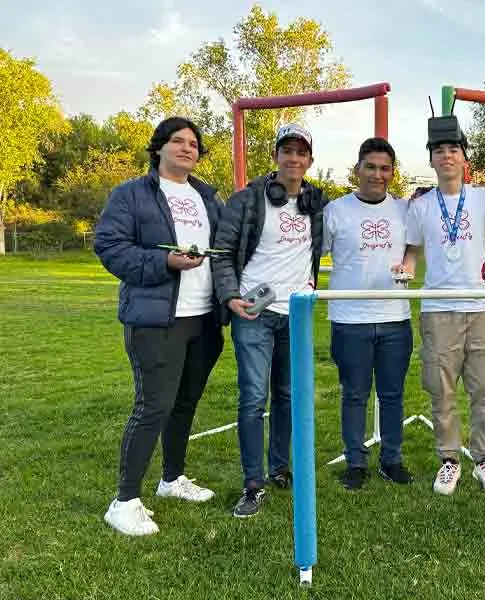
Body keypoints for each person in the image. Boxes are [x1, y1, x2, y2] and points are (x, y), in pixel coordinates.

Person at [95, 116, 224, 536]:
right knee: (153, 406)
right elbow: (109, 246)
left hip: (204, 318)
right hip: (156, 319)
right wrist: (164, 261)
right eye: (178, 141)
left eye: (194, 143)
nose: (188, 148)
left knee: (185, 404)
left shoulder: (207, 197)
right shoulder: (132, 194)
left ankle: (172, 479)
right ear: (158, 148)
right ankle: (124, 501)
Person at [211, 124, 327, 518]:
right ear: (275, 156)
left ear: (310, 160)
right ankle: (252, 484)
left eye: (301, 152)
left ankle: (279, 468)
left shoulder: (315, 203)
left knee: (288, 395)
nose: (294, 158)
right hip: (254, 312)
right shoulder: (246, 200)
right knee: (253, 397)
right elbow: (222, 252)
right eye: (287, 151)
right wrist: (230, 295)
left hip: (296, 314)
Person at [396, 115, 485, 495]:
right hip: (438, 308)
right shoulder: (421, 205)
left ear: (464, 159)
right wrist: (405, 270)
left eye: (453, 150)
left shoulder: (484, 198)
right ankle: (449, 460)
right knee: (441, 390)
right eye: (439, 151)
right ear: (431, 160)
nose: (446, 156)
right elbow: (412, 252)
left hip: (480, 307)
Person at [323, 138, 414, 490]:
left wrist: (408, 266)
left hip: (395, 318)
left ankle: (391, 459)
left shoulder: (405, 210)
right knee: (354, 394)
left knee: (392, 394)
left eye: (385, 168)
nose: (378, 174)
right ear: (357, 168)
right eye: (371, 167)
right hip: (350, 320)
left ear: (393, 172)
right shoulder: (335, 211)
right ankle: (356, 462)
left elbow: (413, 249)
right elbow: (313, 250)